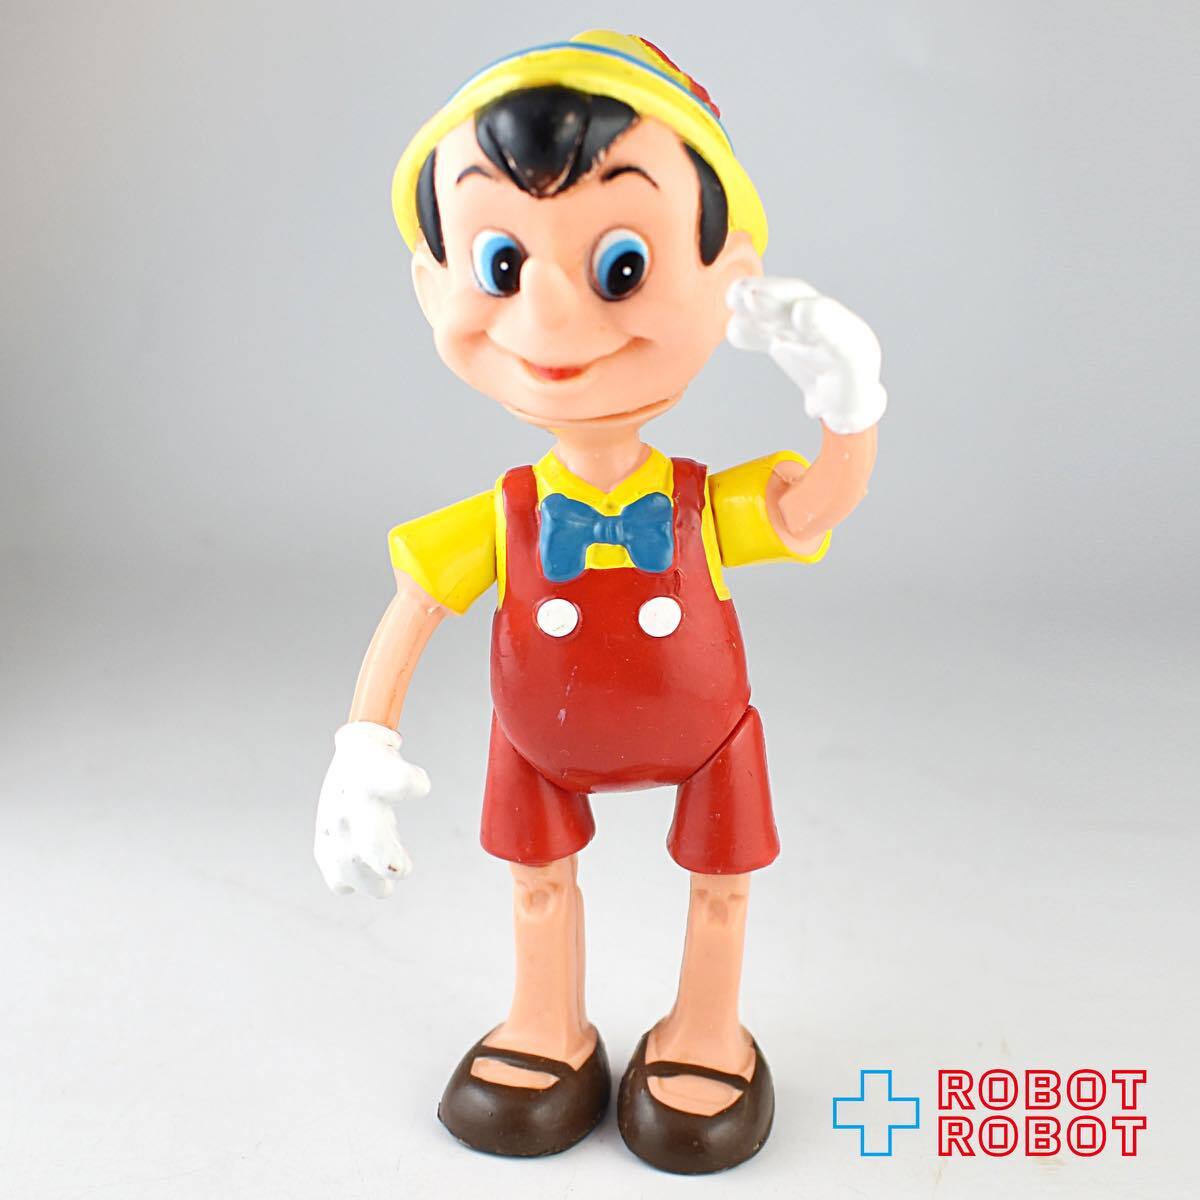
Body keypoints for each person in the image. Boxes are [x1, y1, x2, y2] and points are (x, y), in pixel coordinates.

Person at [314, 29, 886, 1174]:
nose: (550, 318)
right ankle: (547, 1026)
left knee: (722, 893)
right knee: (537, 889)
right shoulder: (508, 514)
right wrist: (361, 748)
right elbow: (414, 607)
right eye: (501, 265)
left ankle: (706, 1031)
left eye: (620, 266)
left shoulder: (695, 501)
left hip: (705, 735)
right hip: (542, 741)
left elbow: (813, 506)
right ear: (433, 282)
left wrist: (851, 405)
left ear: (730, 278)